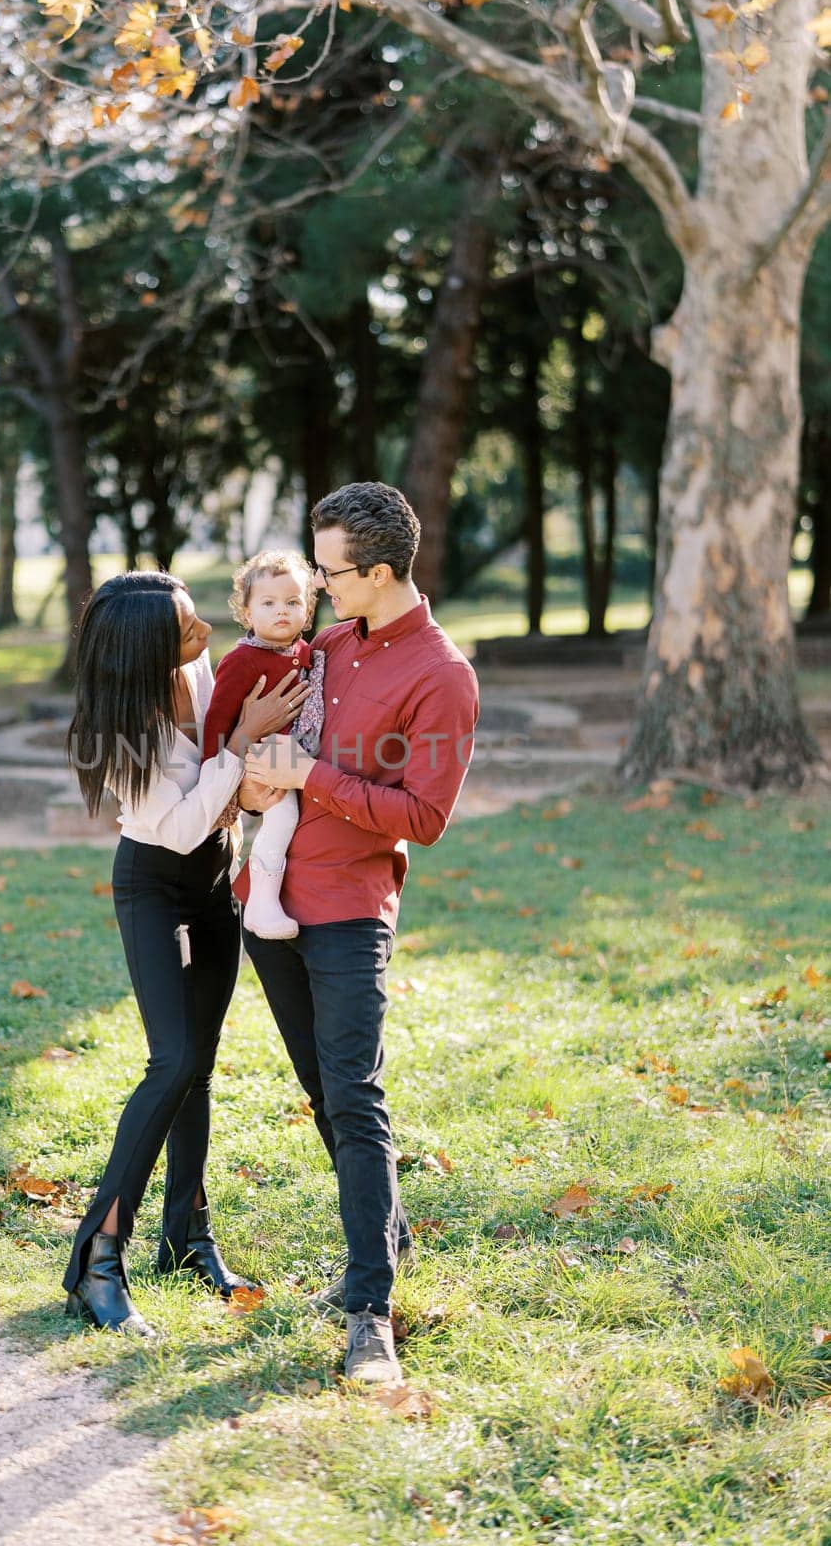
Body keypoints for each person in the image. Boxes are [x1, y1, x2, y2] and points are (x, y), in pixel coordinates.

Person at [239, 483, 479, 1386]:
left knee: (353, 1097)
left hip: (347, 911)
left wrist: (313, 774)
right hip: (269, 907)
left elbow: (424, 815)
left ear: (378, 573)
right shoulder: (329, 645)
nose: (319, 586)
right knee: (321, 1089)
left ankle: (369, 1311)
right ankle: (389, 1236)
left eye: (332, 572)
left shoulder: (442, 675)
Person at [62, 571, 309, 1336]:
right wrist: (236, 747)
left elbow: (218, 799)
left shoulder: (199, 667)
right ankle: (97, 1261)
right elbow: (171, 825)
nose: (204, 627)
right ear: (145, 648)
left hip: (213, 876)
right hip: (155, 884)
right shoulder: (128, 726)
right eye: (184, 624)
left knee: (197, 1063)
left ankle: (187, 1237)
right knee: (169, 1060)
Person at [201, 550, 326, 940]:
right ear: (247, 613)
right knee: (283, 814)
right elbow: (218, 719)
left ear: (307, 611)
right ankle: (262, 903)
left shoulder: (305, 653)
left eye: (293, 602)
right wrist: (217, 775)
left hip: (295, 752)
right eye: (268, 603)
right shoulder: (242, 661)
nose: (281, 612)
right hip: (261, 753)